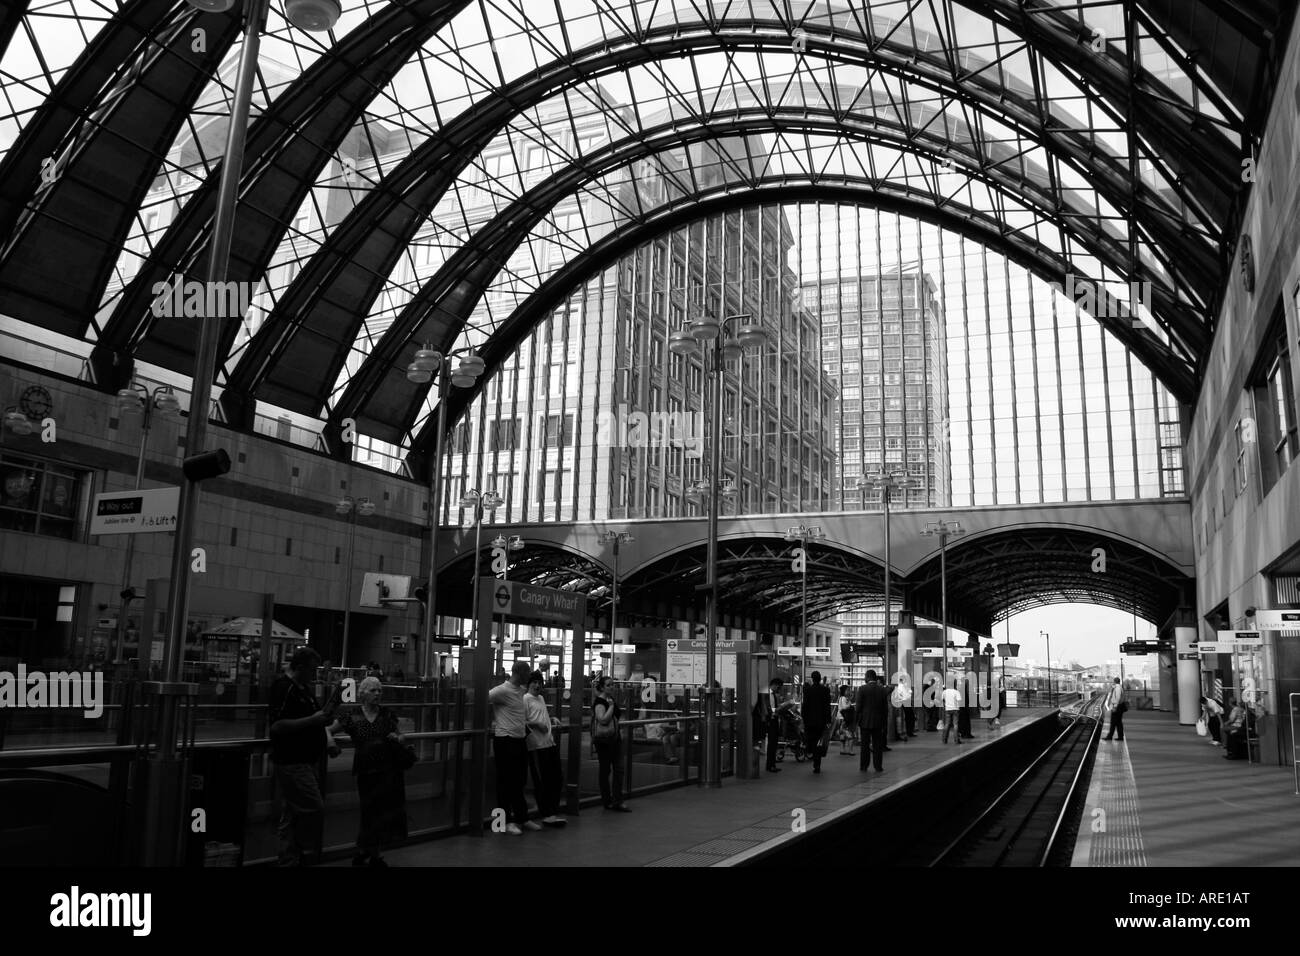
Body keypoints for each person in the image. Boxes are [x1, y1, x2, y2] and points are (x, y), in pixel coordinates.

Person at [268, 646, 339, 866]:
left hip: (306, 760)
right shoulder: (284, 688)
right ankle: (299, 852)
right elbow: (278, 726)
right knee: (312, 807)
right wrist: (313, 721)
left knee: (292, 812)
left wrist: (325, 721)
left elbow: (315, 718)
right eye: (311, 669)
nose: (314, 674)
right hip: (293, 761)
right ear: (299, 667)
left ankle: (290, 857)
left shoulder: (303, 689)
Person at [328, 676, 408, 866]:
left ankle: (371, 852)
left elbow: (402, 735)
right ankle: (369, 852)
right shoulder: (352, 715)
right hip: (366, 772)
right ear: (363, 694)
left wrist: (398, 739)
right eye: (373, 690)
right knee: (370, 811)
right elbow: (328, 729)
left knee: (379, 812)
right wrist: (330, 742)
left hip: (387, 770)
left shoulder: (387, 715)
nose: (377, 694)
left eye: (379, 690)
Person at [488, 660, 536, 833]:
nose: (529, 677)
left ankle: (522, 818)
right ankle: (502, 822)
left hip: (519, 740)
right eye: (527, 673)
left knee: (519, 781)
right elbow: (483, 699)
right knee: (504, 782)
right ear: (519, 673)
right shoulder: (501, 690)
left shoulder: (521, 691)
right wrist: (491, 720)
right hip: (505, 740)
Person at [524, 670, 567, 826]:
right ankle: (546, 813)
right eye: (534, 682)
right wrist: (536, 724)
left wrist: (551, 718)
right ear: (528, 684)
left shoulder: (540, 698)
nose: (537, 685)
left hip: (549, 743)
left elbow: (540, 715)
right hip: (536, 746)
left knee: (556, 778)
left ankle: (552, 811)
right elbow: (522, 721)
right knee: (542, 780)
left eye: (539, 682)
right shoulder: (525, 699)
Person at [592, 676, 630, 810]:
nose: (611, 687)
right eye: (608, 685)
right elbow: (602, 720)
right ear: (602, 687)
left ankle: (617, 800)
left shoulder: (609, 699)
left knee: (619, 770)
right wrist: (612, 707)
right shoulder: (600, 702)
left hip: (615, 739)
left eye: (612, 685)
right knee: (606, 770)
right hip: (604, 742)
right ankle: (607, 800)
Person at [856, 670, 889, 771]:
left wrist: (858, 720)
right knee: (877, 746)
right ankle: (878, 766)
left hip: (865, 722)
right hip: (878, 722)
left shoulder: (862, 689)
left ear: (868, 677)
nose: (864, 678)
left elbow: (858, 707)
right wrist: (884, 722)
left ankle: (864, 766)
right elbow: (885, 709)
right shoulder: (882, 690)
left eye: (865, 676)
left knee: (864, 745)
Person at [755, 677, 787, 772]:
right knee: (772, 744)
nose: (779, 689)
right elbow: (767, 709)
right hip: (770, 721)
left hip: (774, 720)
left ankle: (772, 764)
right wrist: (776, 710)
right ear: (775, 685)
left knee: (774, 744)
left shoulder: (773, 695)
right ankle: (770, 765)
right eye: (779, 687)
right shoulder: (767, 695)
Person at [802, 672, 832, 773]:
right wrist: (828, 720)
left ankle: (811, 754)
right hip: (821, 721)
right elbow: (827, 706)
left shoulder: (807, 690)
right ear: (820, 679)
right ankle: (817, 763)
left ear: (812, 679)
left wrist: (804, 719)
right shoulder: (825, 690)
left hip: (810, 721)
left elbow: (804, 706)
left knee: (812, 740)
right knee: (819, 742)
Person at [941, 678, 963, 745]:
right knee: (955, 725)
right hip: (955, 709)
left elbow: (942, 700)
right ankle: (956, 740)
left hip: (947, 709)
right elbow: (959, 701)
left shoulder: (944, 692)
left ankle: (944, 739)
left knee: (947, 724)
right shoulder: (956, 692)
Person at [837, 684, 857, 756]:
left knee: (842, 735)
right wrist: (850, 704)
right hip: (845, 719)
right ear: (843, 691)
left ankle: (842, 749)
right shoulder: (843, 698)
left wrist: (850, 700)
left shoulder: (842, 698)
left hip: (841, 718)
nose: (849, 691)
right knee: (850, 734)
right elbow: (845, 707)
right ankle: (850, 750)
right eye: (847, 690)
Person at [890, 677, 910, 741]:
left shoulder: (896, 689)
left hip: (896, 708)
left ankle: (898, 734)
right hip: (895, 708)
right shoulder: (894, 689)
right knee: (897, 722)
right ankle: (897, 735)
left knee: (897, 722)